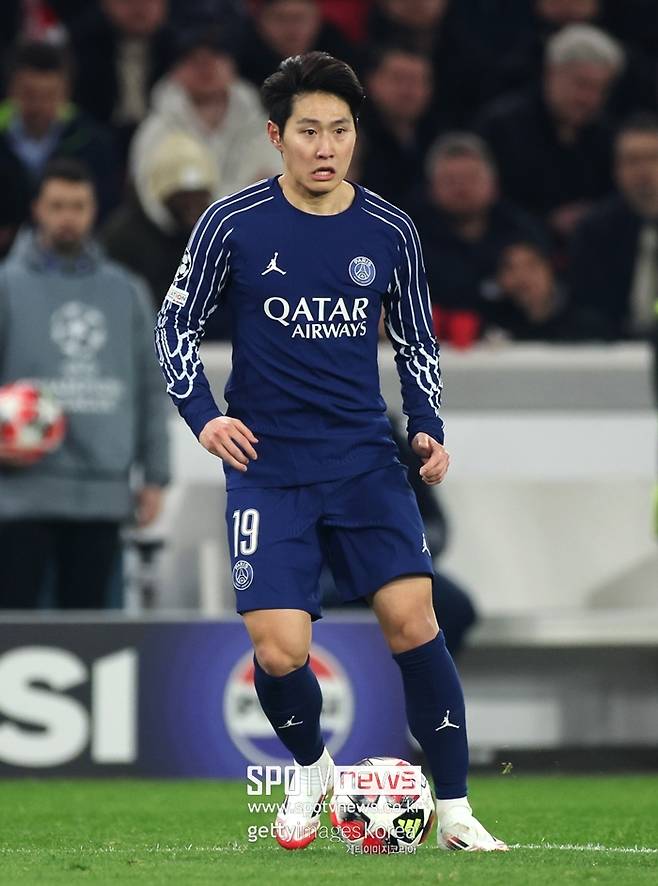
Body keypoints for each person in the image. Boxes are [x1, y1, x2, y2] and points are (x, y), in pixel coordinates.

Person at [155, 51, 506, 852]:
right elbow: (174, 324)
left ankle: (456, 811)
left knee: (415, 623)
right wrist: (203, 417)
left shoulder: (390, 229)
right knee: (280, 650)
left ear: (356, 135)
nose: (326, 147)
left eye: (340, 131)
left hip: (363, 462)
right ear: (276, 137)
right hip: (267, 468)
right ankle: (313, 770)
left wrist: (428, 424)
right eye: (309, 131)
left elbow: (416, 339)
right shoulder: (232, 223)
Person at [0, 158, 170, 609]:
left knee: (90, 630)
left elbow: (150, 386)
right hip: (20, 494)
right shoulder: (7, 286)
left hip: (102, 494)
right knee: (15, 630)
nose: (67, 217)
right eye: (57, 206)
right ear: (37, 209)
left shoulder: (127, 291)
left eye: (78, 206)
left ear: (94, 210)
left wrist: (156, 476)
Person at [477, 24, 624, 241]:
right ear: (551, 73)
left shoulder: (608, 135)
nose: (589, 99)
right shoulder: (501, 126)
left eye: (600, 89)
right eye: (581, 84)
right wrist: (545, 221)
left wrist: (593, 217)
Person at [129, 27, 280, 219]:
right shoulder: (156, 129)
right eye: (192, 59)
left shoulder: (262, 126)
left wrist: (202, 200)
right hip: (182, 235)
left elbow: (275, 190)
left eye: (216, 55)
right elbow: (155, 202)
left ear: (232, 63)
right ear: (174, 70)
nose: (205, 66)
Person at [413, 132, 548, 317]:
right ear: (431, 189)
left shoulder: (522, 231)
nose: (461, 188)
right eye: (450, 180)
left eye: (471, 178)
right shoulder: (411, 241)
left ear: (494, 185)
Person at [0, 41, 120, 222]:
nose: (39, 106)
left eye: (49, 95)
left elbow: (105, 207)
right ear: (11, 91)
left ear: (66, 94)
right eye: (29, 95)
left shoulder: (91, 142)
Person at [569, 114, 658, 339]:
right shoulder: (593, 231)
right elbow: (587, 305)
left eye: (653, 158)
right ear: (617, 170)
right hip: (615, 346)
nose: (644, 170)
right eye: (632, 160)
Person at [68, 0, 176, 162]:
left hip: (162, 139)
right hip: (100, 140)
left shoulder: (179, 51)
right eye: (128, 1)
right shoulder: (81, 46)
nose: (139, 8)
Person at [353, 45, 442, 209]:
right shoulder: (352, 137)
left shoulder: (439, 137)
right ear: (372, 82)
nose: (407, 91)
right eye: (397, 79)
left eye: (416, 81)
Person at [481, 241, 608, 341]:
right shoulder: (492, 326)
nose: (522, 276)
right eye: (510, 268)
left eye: (531, 265)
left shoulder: (587, 325)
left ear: (550, 269)